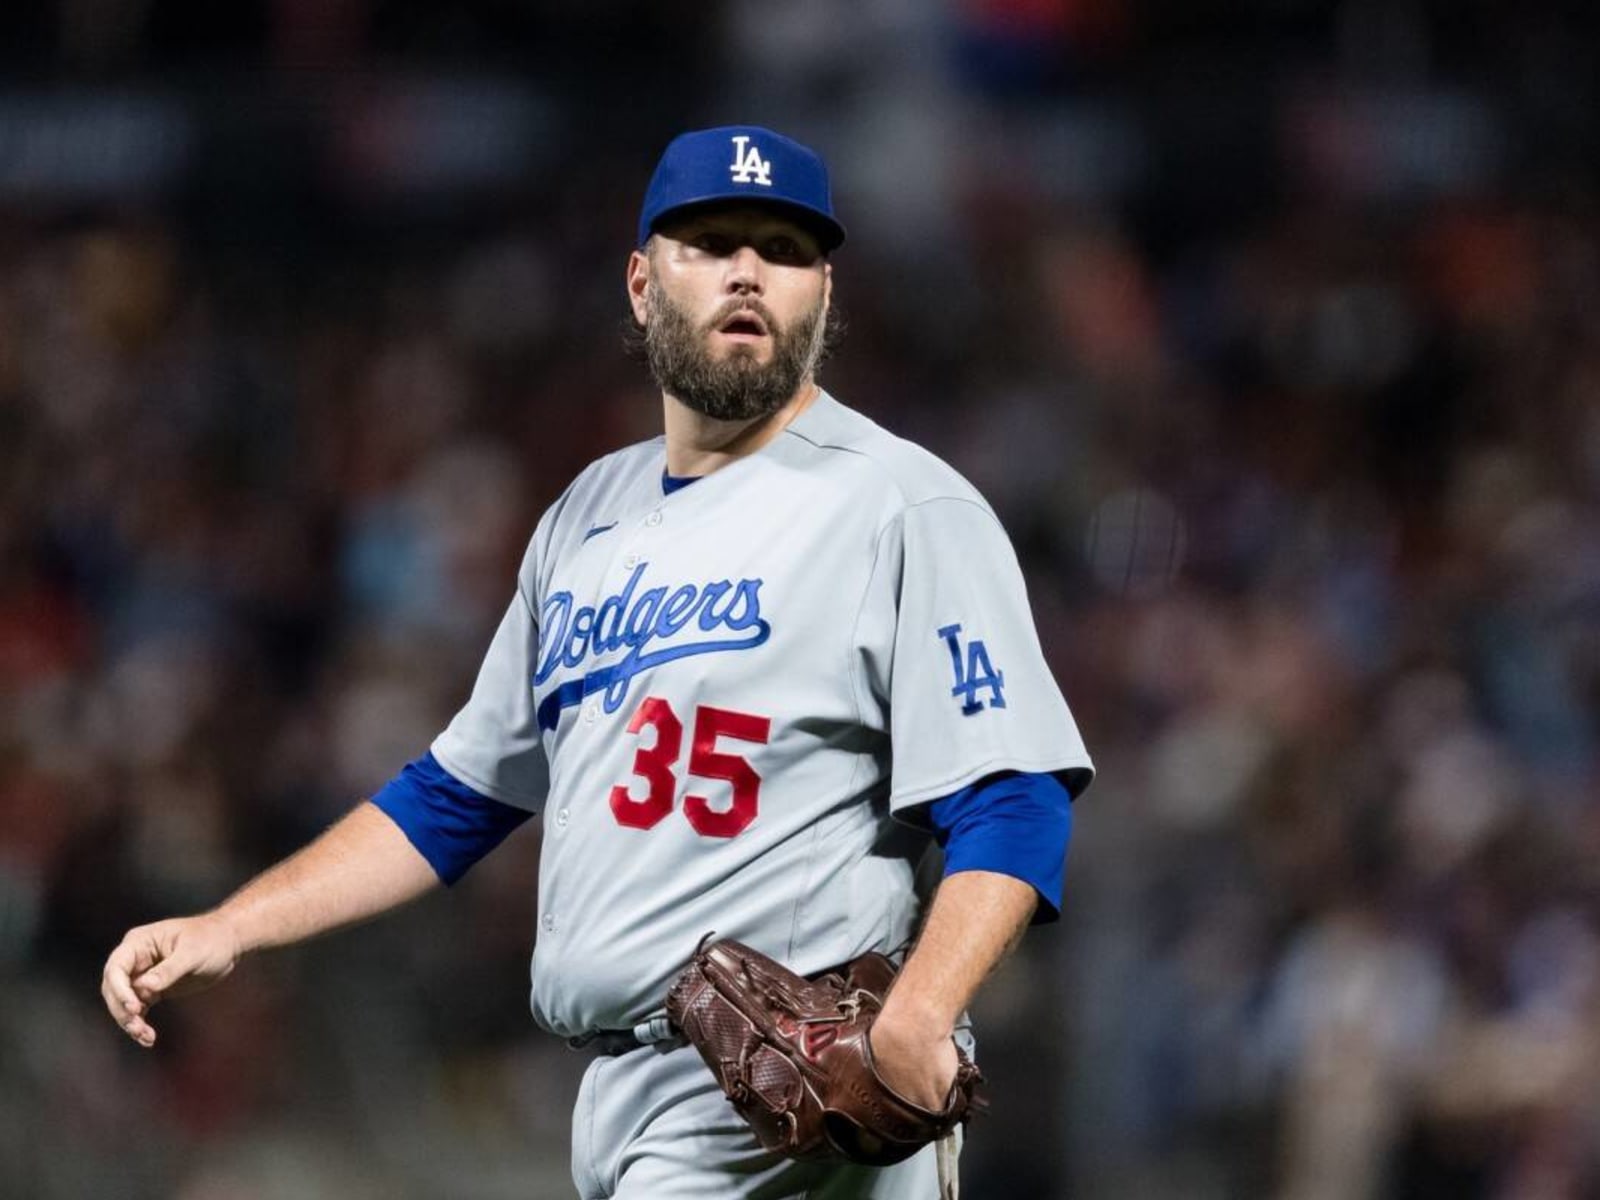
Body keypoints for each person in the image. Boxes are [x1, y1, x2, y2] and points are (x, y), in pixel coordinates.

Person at [101, 125, 1094, 1198]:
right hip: (617, 1093)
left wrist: (920, 1015)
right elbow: (454, 797)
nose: (748, 270)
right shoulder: (585, 518)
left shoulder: (903, 504)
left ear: (823, 291)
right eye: (710, 243)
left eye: (784, 247)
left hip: (791, 1104)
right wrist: (232, 925)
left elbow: (1014, 790)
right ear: (639, 282)